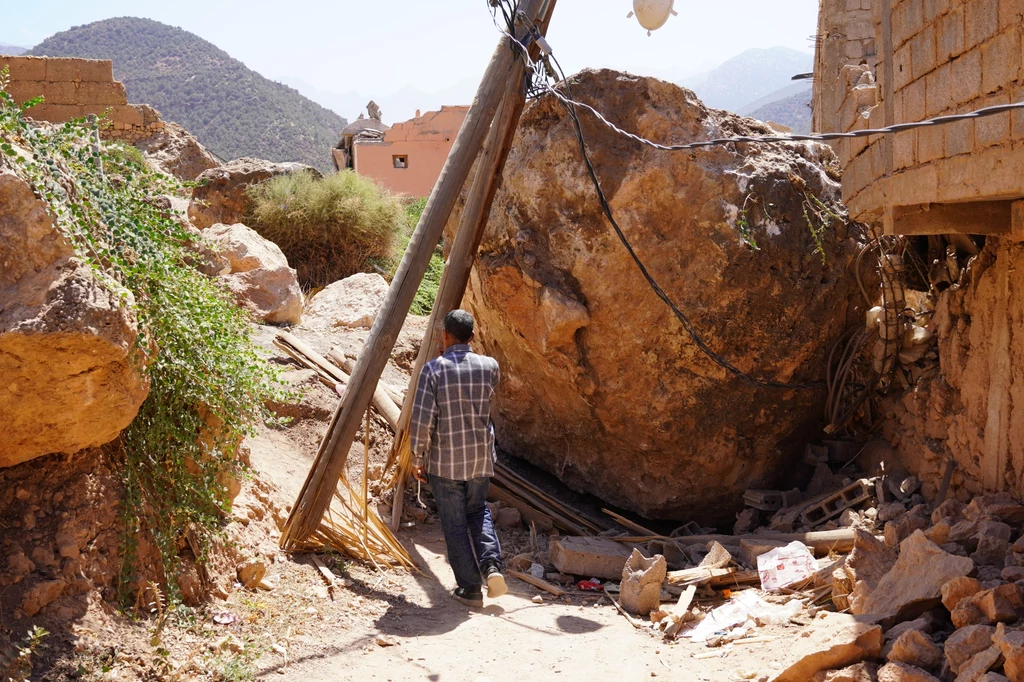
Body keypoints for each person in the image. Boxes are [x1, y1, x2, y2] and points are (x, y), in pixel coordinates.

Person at [410, 309, 506, 608]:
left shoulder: (433, 370)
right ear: (473, 337)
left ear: (445, 336)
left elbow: (423, 419)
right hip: (480, 458)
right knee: (478, 512)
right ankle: (491, 567)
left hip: (446, 462)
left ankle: (470, 589)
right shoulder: (490, 366)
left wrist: (418, 457)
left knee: (454, 524)